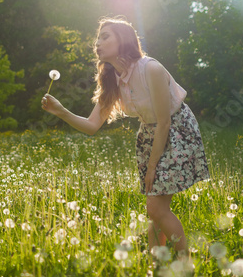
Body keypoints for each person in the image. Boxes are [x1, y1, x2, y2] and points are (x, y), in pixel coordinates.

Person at [41, 17, 209, 259]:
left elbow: (164, 122)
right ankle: (156, 262)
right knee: (156, 209)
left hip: (175, 131)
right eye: (97, 38)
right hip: (150, 134)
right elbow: (91, 126)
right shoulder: (112, 80)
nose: (98, 43)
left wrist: (152, 168)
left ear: (124, 40)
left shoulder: (151, 69)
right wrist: (60, 111)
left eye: (105, 36)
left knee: (155, 207)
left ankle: (186, 263)